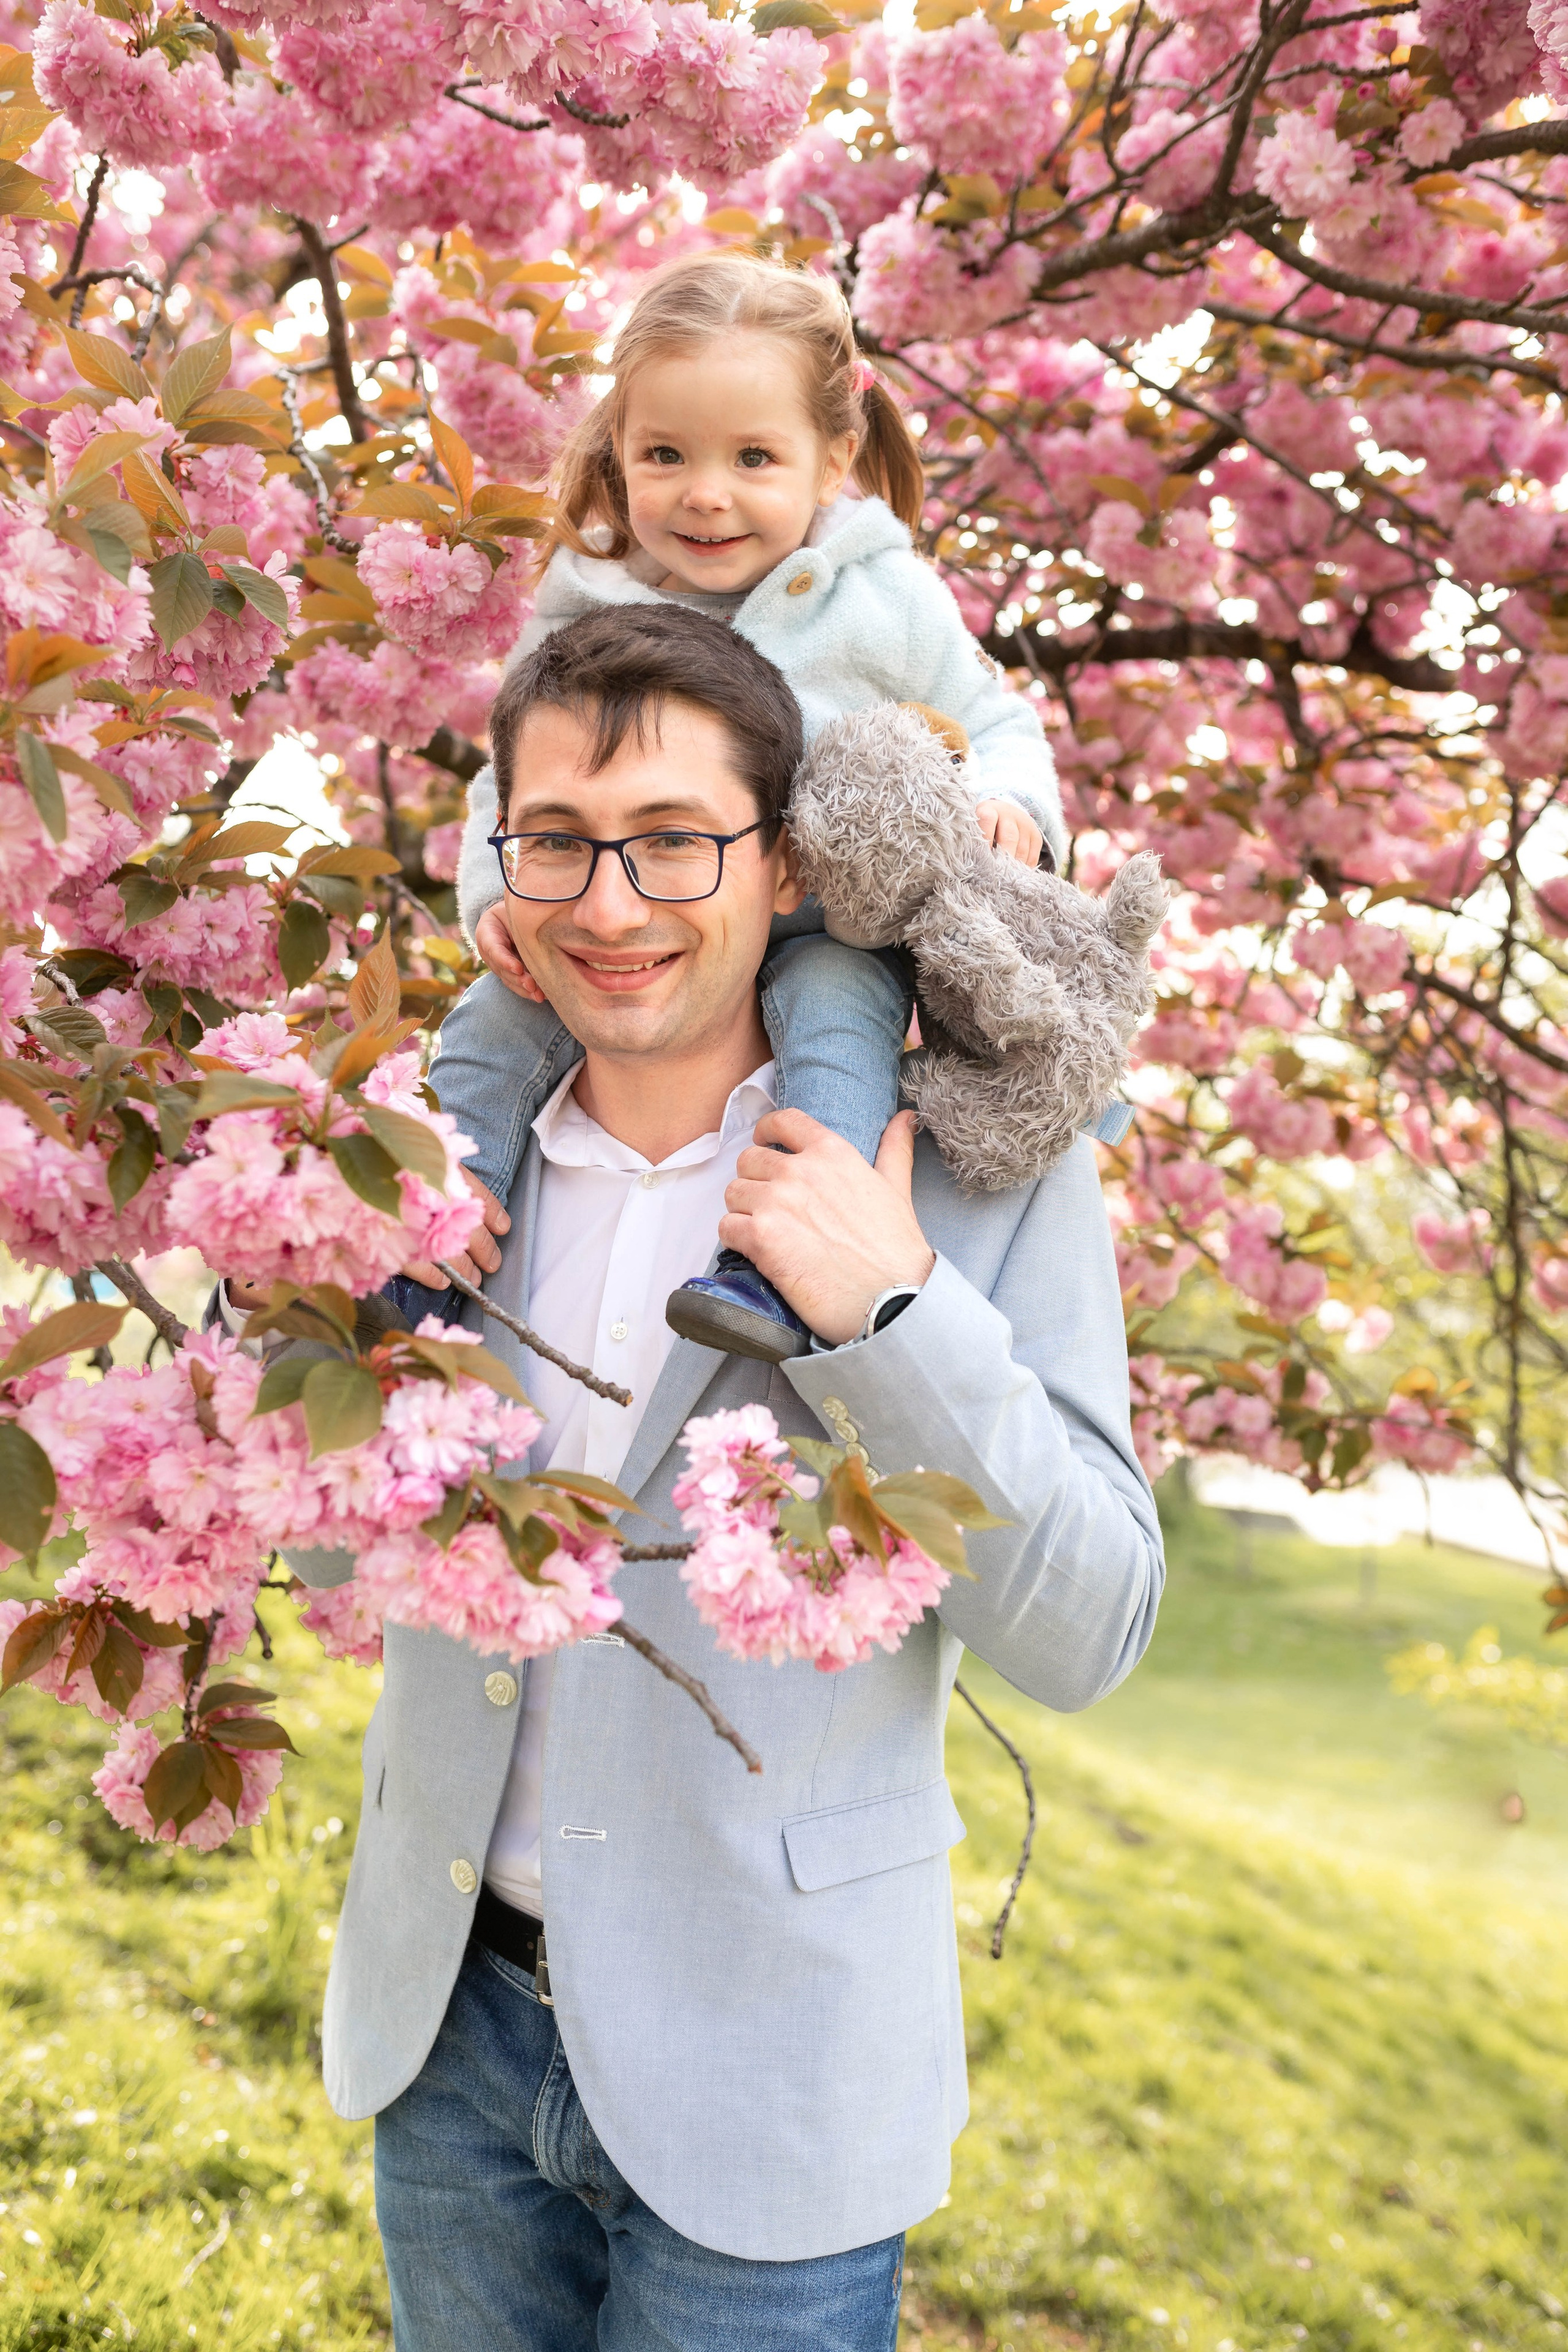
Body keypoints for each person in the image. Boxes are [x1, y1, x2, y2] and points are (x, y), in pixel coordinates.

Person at [286, 604, 1164, 2352]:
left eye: (676, 841)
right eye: (559, 842)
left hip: (775, 2074)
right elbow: (325, 1566)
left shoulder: (971, 1186)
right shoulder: (420, 1167)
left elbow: (1092, 1630)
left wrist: (888, 1309)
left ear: (785, 866)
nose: (611, 905)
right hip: (447, 2037)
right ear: (501, 862)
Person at [425, 249, 1065, 1366]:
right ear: (618, 458)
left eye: (754, 457)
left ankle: (776, 1265)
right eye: (665, 455)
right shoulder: (586, 602)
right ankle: (426, 1239)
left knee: (838, 1044)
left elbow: (995, 718)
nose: (705, 493)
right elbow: (512, 774)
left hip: (826, 923)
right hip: (623, 919)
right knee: (490, 1025)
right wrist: (493, 894)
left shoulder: (882, 596)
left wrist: (1010, 800)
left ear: (834, 462)